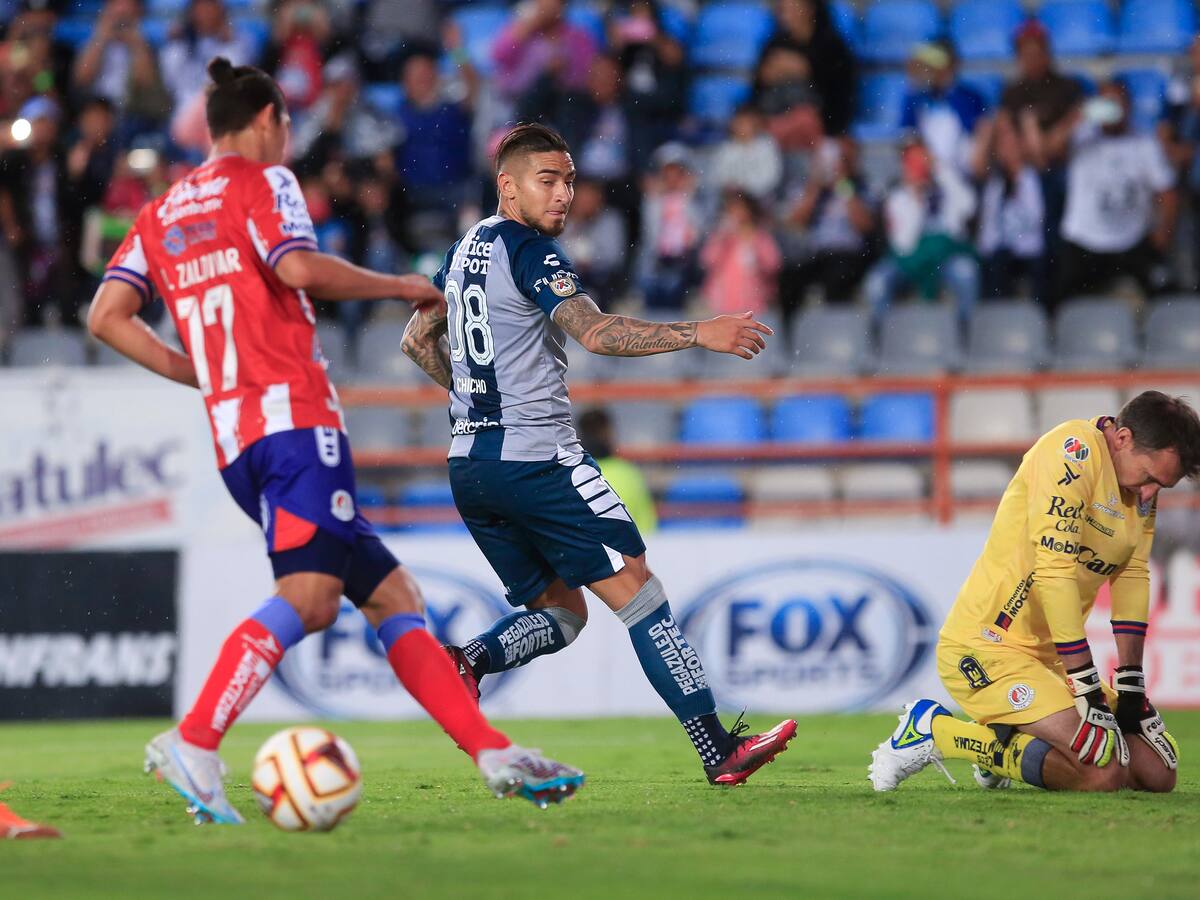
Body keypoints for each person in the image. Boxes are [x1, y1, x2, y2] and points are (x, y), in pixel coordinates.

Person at [86, 59, 584, 823]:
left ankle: (495, 753)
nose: (287, 140)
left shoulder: (161, 214)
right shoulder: (264, 183)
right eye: (286, 126)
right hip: (295, 425)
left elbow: (106, 317)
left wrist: (207, 376)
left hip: (239, 439)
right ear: (266, 123)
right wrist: (402, 287)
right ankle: (194, 738)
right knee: (311, 599)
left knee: (393, 596)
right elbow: (299, 267)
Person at [400, 123, 796, 786]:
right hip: (538, 461)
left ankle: (465, 662)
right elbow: (598, 333)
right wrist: (703, 330)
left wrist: (481, 398)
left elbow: (416, 340)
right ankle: (717, 749)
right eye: (546, 180)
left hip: (470, 468)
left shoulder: (463, 251)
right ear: (509, 186)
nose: (563, 195)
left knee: (561, 613)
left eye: (570, 180)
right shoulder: (530, 252)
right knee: (641, 595)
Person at [870, 391, 1200, 794]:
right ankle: (936, 731)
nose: (1149, 494)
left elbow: (1131, 573)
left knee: (1156, 775)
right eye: (1148, 477)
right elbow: (1055, 572)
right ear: (1123, 438)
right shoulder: (1071, 453)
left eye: (1161, 486)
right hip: (987, 648)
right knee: (1102, 773)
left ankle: (1007, 738)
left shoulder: (1138, 488)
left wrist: (1130, 686)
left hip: (1049, 660)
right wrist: (1087, 684)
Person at [1048, 79, 1177, 308]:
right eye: (1105, 103)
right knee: (1062, 301)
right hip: (1085, 239)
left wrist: (1162, 234)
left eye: (1116, 102)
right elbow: (1050, 152)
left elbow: (1167, 192)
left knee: (1164, 293)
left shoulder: (1144, 144)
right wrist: (1075, 118)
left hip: (1132, 237)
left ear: (1128, 106)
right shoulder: (1081, 138)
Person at [864, 140, 978, 325]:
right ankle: (882, 338)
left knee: (966, 272)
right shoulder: (897, 197)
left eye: (921, 158)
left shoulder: (946, 186)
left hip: (945, 257)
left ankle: (964, 333)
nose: (918, 165)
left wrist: (941, 171)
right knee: (877, 281)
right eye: (912, 160)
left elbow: (969, 206)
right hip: (909, 261)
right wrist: (916, 199)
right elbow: (904, 245)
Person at [900, 41, 989, 175]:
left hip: (962, 169)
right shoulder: (918, 97)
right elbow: (907, 130)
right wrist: (913, 82)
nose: (932, 70)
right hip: (929, 169)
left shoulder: (970, 96)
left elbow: (978, 130)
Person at [700, 191, 781, 317]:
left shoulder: (760, 236)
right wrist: (721, 238)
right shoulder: (722, 236)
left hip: (752, 302)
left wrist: (755, 247)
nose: (736, 214)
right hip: (722, 302)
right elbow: (707, 260)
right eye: (732, 210)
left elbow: (773, 264)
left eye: (740, 209)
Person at [577, 407, 657, 534]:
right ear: (609, 434)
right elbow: (647, 527)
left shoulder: (569, 475)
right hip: (627, 550)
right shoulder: (629, 474)